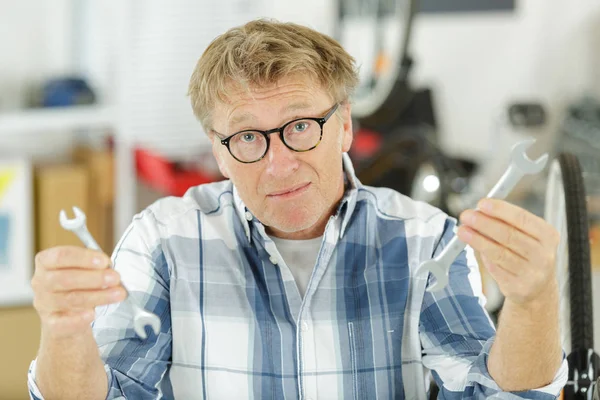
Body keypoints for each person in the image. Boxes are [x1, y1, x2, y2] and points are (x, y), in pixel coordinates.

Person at [28, 19, 567, 399]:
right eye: (246, 137)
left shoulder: (426, 238)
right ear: (218, 149)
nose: (279, 164)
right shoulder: (162, 240)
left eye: (301, 127)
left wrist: (533, 300)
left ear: (346, 126)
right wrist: (64, 331)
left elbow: (499, 396)